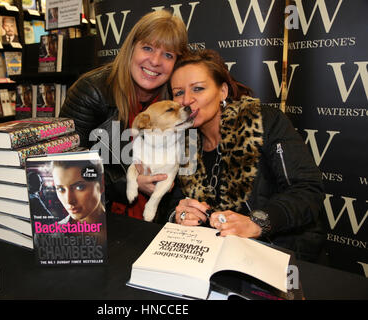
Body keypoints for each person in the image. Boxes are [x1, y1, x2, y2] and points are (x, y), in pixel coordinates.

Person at [168, 49, 325, 262]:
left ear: (222, 91)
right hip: (212, 259)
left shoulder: (264, 121)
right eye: (178, 93)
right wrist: (181, 215)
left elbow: (307, 190)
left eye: (198, 88)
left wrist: (256, 223)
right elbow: (175, 201)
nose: (187, 100)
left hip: (280, 256)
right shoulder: (184, 143)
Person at [59, 10, 189, 221]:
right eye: (147, 48)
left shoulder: (177, 101)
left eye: (168, 55)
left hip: (158, 222)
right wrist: (126, 184)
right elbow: (64, 166)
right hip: (99, 216)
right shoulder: (91, 91)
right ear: (131, 48)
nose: (155, 61)